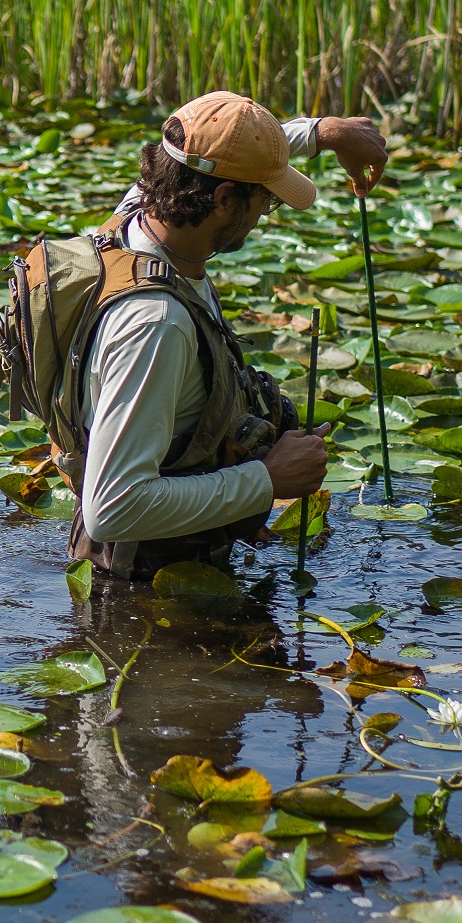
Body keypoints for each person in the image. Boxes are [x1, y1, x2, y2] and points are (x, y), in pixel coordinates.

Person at [72, 94, 390, 588]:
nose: (267, 212)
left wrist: (325, 133)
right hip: (146, 588)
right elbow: (112, 508)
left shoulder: (140, 214)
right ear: (223, 201)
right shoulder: (156, 325)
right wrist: (268, 480)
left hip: (171, 560)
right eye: (266, 199)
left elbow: (223, 149)